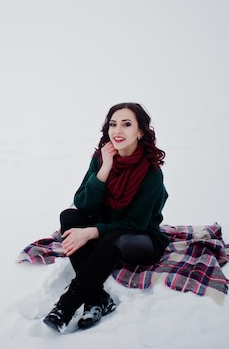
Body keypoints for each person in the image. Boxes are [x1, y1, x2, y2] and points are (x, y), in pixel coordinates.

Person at [43, 102, 169, 332]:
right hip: (105, 231)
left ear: (141, 131)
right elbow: (82, 203)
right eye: (113, 124)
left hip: (139, 239)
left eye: (126, 124)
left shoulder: (151, 172)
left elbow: (135, 224)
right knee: (69, 216)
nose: (117, 131)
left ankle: (66, 305)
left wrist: (93, 231)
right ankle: (97, 298)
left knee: (117, 237)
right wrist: (104, 169)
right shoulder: (102, 157)